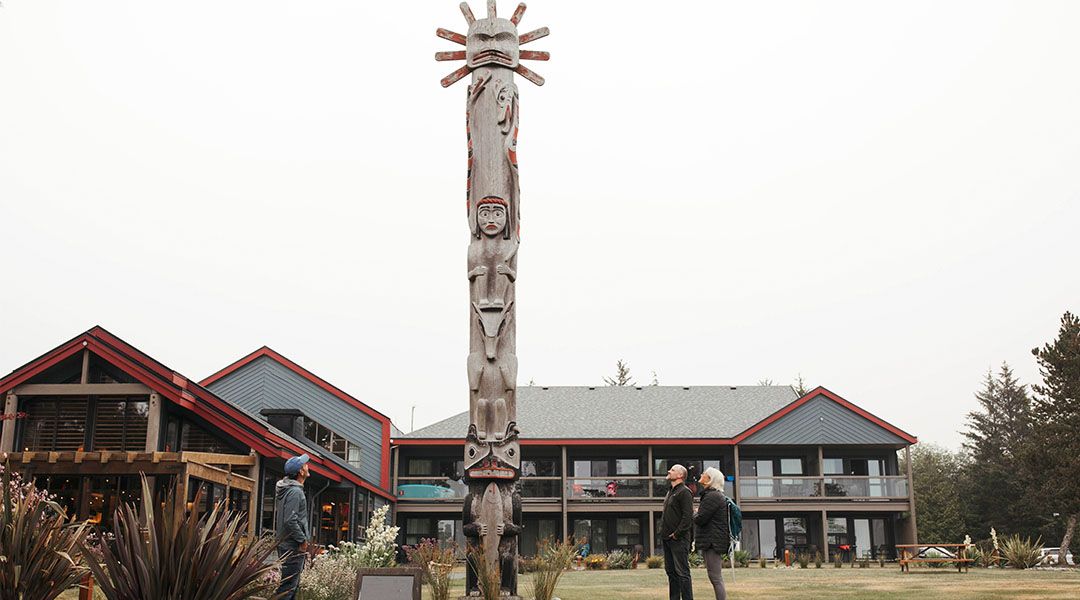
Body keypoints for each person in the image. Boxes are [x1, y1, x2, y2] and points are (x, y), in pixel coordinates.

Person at [275, 453, 311, 600]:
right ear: (301, 472)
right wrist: (302, 540)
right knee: (288, 588)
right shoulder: (295, 491)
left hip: (287, 543)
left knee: (290, 586)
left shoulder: (289, 489)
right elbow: (290, 520)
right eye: (304, 464)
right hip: (292, 545)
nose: (307, 466)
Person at [694, 467, 730, 600]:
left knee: (715, 577)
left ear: (710, 480)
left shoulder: (713, 496)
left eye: (705, 474)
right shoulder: (711, 496)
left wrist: (695, 513)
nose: (702, 474)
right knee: (714, 576)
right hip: (712, 540)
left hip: (712, 542)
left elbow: (700, 519)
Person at [660, 463, 694, 600]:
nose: (669, 471)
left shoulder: (684, 492)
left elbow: (687, 518)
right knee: (671, 572)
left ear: (680, 475)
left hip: (678, 540)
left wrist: (676, 534)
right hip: (667, 539)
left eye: (672, 470)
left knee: (682, 573)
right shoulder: (670, 491)